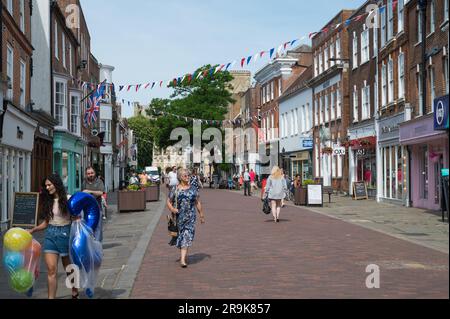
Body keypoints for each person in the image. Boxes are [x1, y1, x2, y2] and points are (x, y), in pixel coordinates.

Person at [28, 174, 79, 299]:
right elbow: (46, 222)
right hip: (50, 235)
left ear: (56, 184)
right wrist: (33, 229)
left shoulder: (68, 199)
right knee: (51, 270)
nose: (47, 187)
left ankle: (74, 289)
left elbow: (76, 216)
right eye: (46, 185)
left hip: (65, 235)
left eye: (49, 184)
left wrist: (77, 219)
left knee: (69, 268)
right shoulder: (48, 202)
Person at [166, 168, 205, 268]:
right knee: (181, 236)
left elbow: (197, 202)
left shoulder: (193, 189)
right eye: (185, 176)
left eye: (188, 175)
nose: (187, 177)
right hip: (179, 217)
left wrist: (201, 215)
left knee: (187, 236)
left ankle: (183, 260)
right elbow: (168, 202)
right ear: (180, 177)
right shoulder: (175, 189)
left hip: (190, 217)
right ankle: (183, 254)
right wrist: (173, 209)